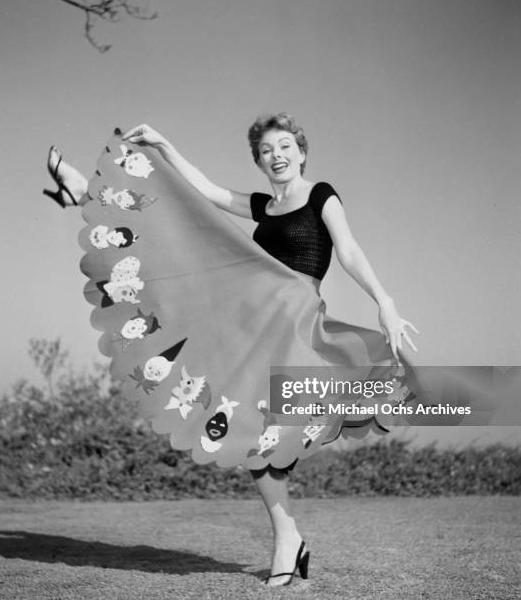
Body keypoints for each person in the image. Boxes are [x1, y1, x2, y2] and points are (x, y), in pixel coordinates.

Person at [44, 114, 418, 587]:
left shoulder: (321, 194)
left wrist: (385, 303)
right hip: (247, 319)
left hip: (293, 325)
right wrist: (164, 144)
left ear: (301, 152)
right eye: (266, 150)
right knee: (246, 429)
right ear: (259, 161)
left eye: (285, 146)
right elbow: (208, 193)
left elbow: (348, 251)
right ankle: (288, 538)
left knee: (274, 427)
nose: (277, 155)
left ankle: (288, 538)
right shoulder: (264, 205)